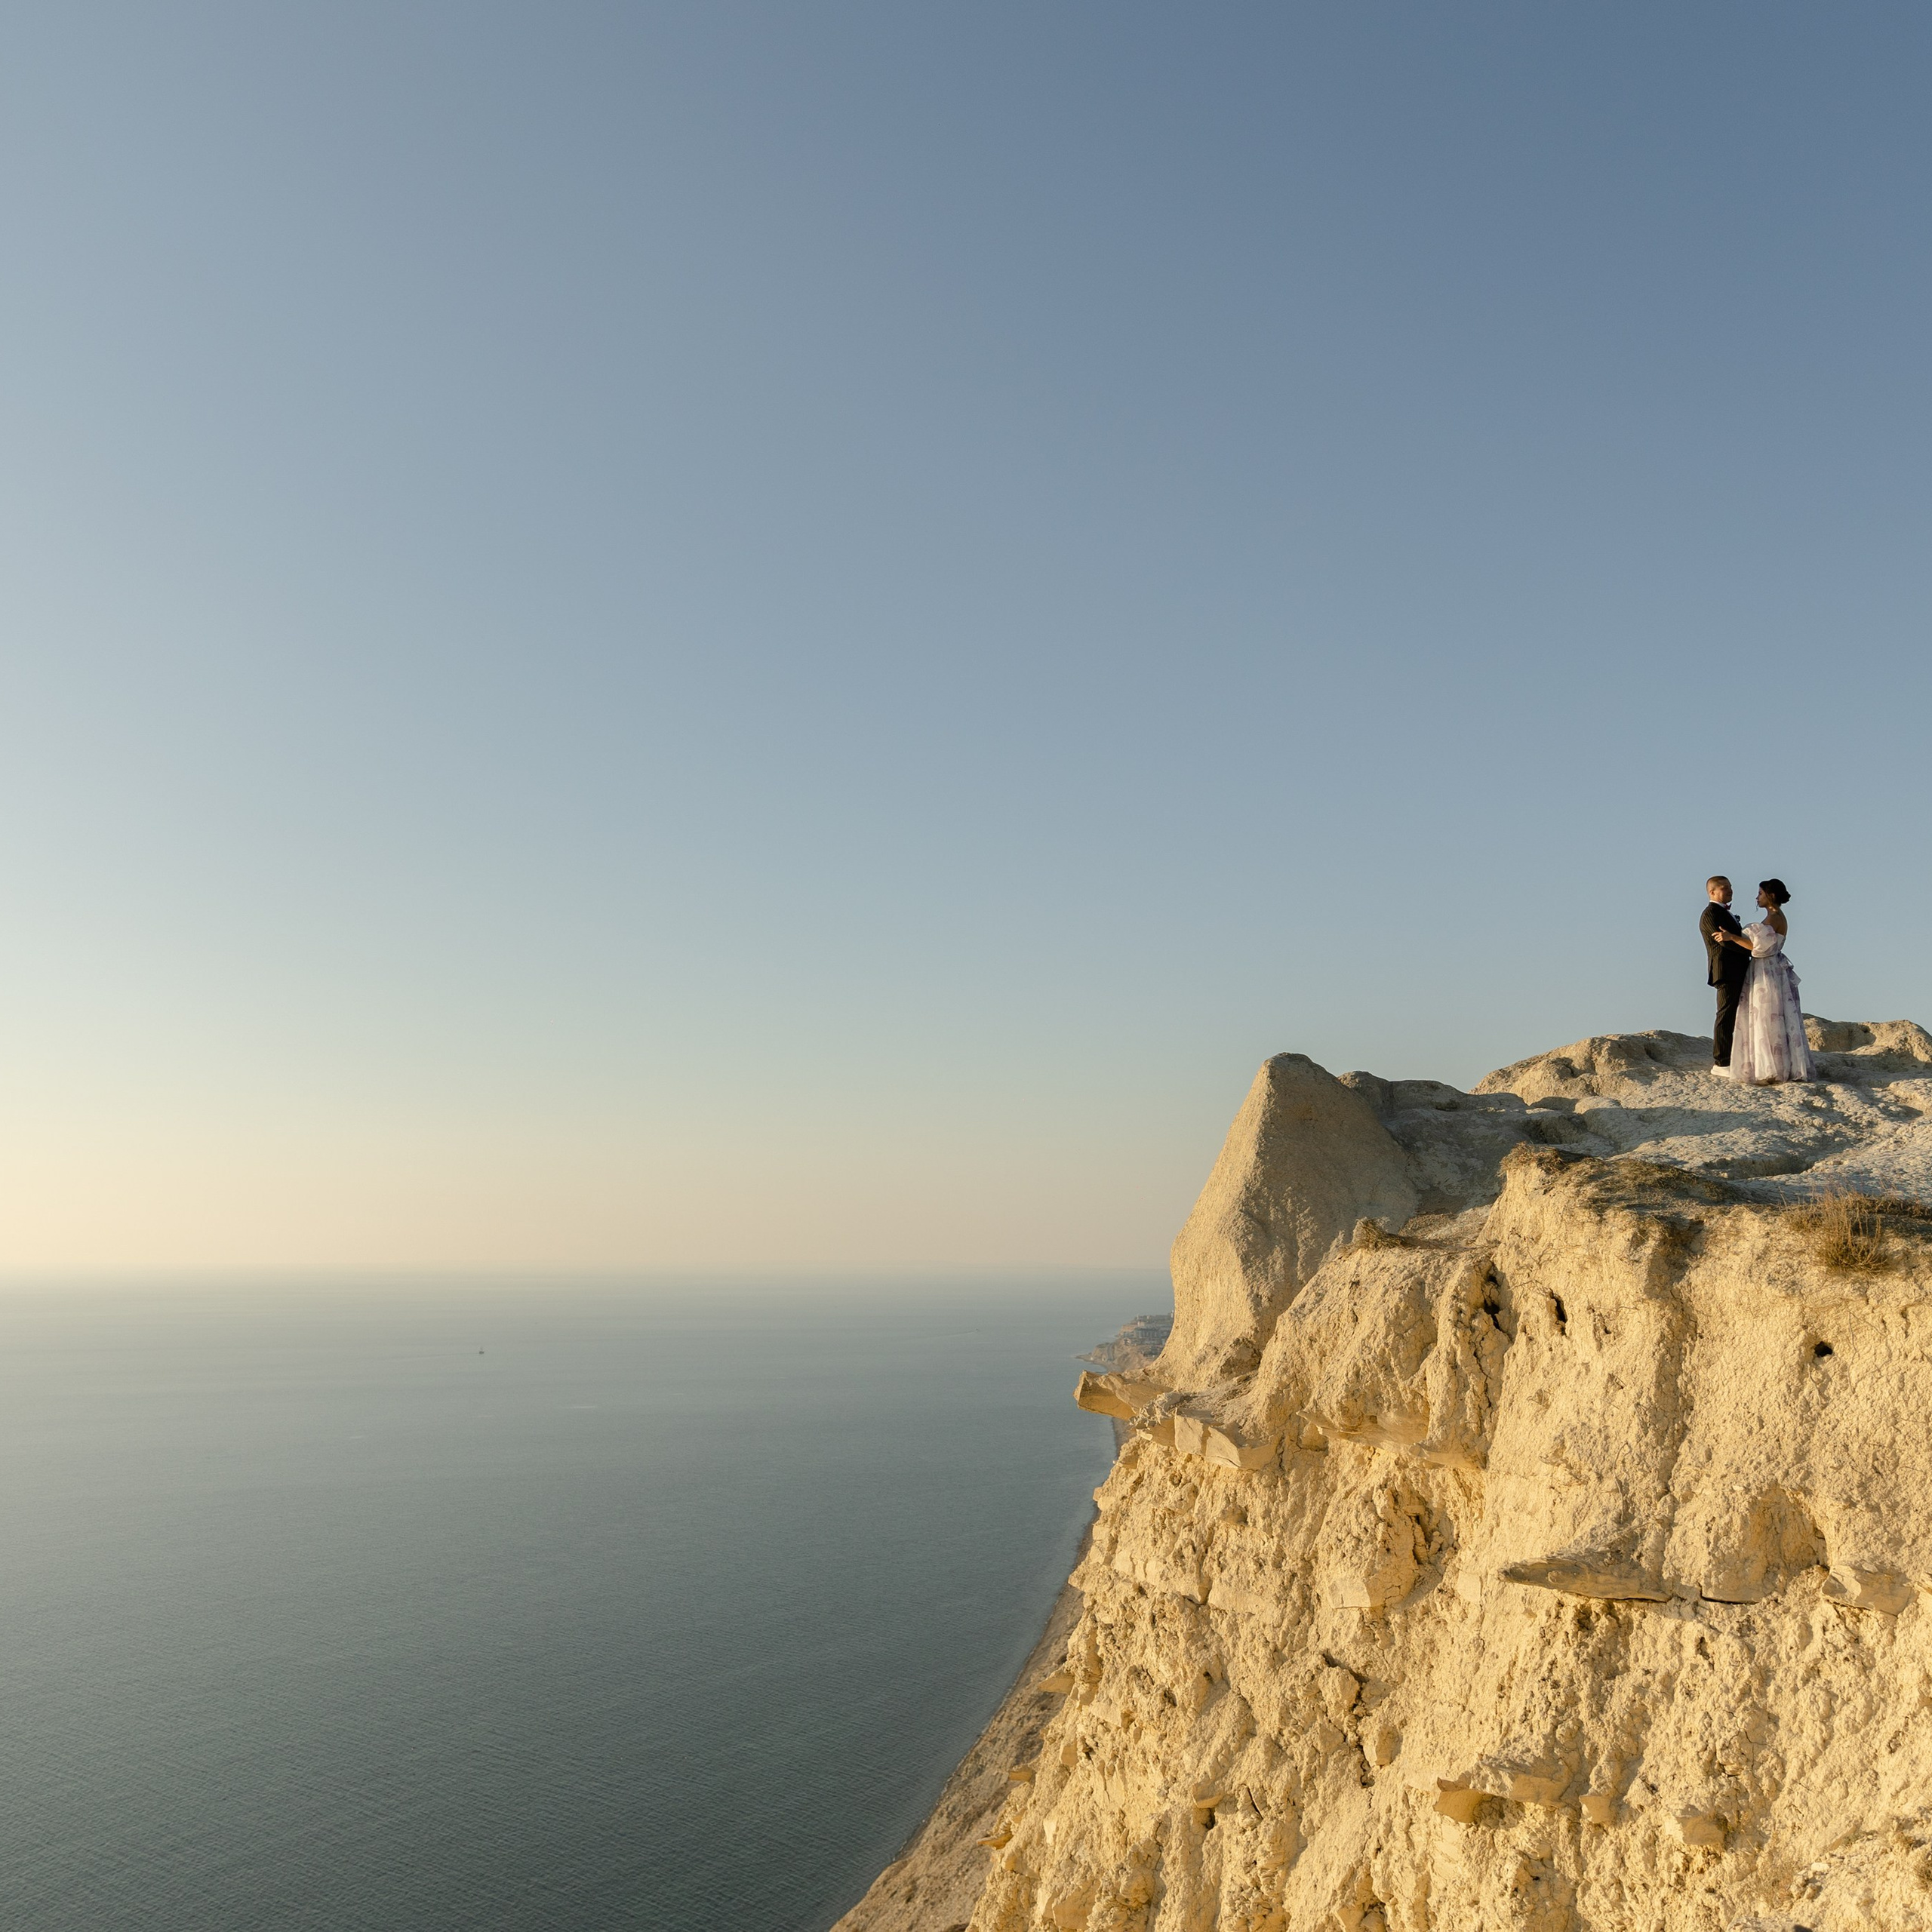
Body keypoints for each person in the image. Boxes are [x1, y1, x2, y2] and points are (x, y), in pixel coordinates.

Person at [1713, 878, 1814, 1084]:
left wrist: (1732, 937)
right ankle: (1769, 1065)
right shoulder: (1773, 917)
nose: (1756, 897)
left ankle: (1770, 1068)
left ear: (1771, 896)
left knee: (1767, 1017)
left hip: (1767, 971)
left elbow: (1759, 948)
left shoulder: (1776, 917)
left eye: (1760, 894)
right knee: (1768, 1016)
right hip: (1768, 968)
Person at [1699, 876, 1751, 1075]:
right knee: (1725, 1015)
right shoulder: (1711, 913)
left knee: (1737, 1015)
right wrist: (1755, 950)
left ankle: (1735, 1056)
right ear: (1712, 892)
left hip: (1737, 970)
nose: (1730, 891)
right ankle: (1721, 1062)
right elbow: (1725, 943)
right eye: (1724, 888)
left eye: (1731, 887)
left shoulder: (1724, 913)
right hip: (1726, 971)